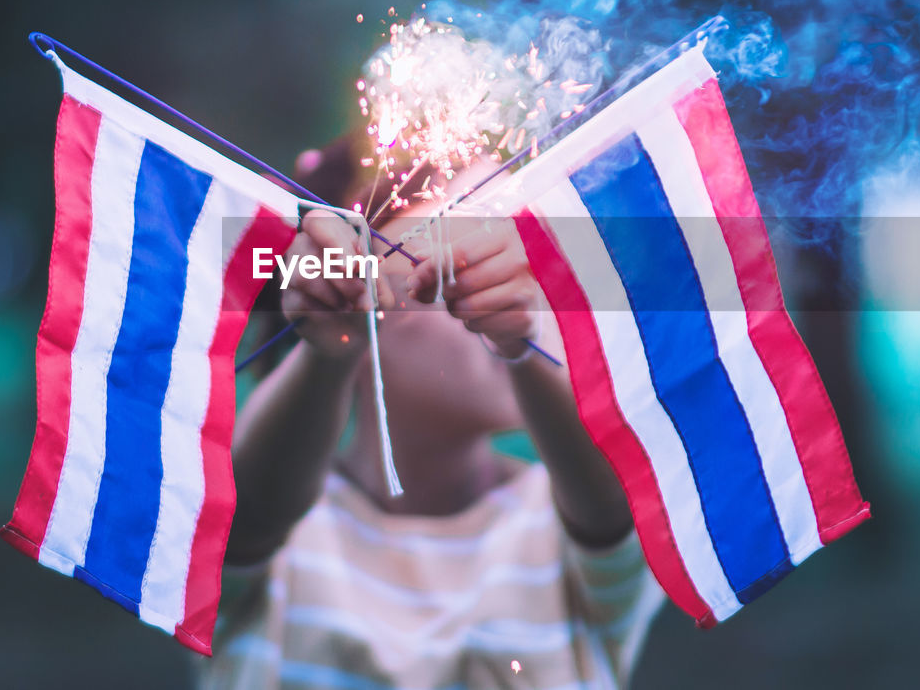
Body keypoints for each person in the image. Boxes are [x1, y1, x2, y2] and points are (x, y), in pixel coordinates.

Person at [195, 140, 665, 689]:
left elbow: (611, 501)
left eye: (521, 257)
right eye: (456, 260)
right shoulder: (279, 528)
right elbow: (251, 512)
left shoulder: (569, 528)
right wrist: (330, 350)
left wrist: (520, 346)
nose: (514, 289)